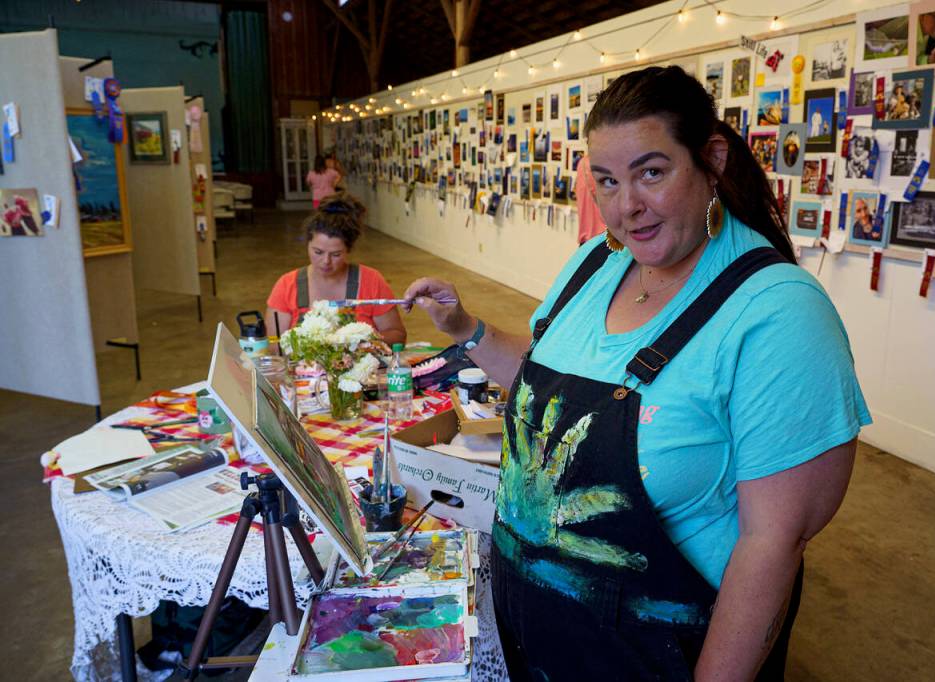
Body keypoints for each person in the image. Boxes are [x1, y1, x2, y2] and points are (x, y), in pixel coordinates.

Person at [405, 66, 869, 680]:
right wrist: (468, 330)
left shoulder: (778, 316)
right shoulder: (595, 262)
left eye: (652, 172)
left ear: (712, 160)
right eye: (607, 181)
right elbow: (548, 382)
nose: (628, 208)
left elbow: (772, 548)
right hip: (535, 639)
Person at [266, 191, 406, 345]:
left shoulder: (371, 281)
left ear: (348, 249)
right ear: (307, 244)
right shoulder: (287, 285)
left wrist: (363, 342)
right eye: (318, 252)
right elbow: (274, 343)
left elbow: (397, 334)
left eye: (336, 254)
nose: (326, 261)